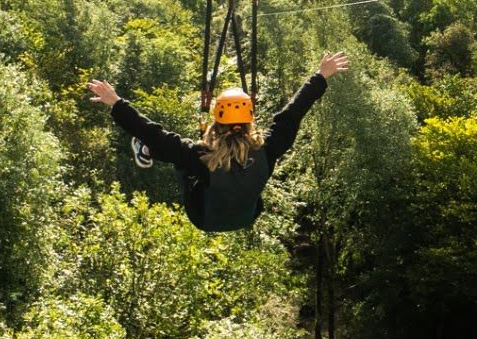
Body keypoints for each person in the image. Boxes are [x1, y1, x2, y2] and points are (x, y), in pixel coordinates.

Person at [88, 52, 351, 232]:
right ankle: (149, 149)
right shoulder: (268, 148)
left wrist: (116, 102)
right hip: (245, 217)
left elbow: (153, 131)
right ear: (250, 119)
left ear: (217, 120)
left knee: (176, 153)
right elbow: (293, 113)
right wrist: (320, 75)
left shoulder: (201, 155)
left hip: (203, 217)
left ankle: (147, 150)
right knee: (178, 152)